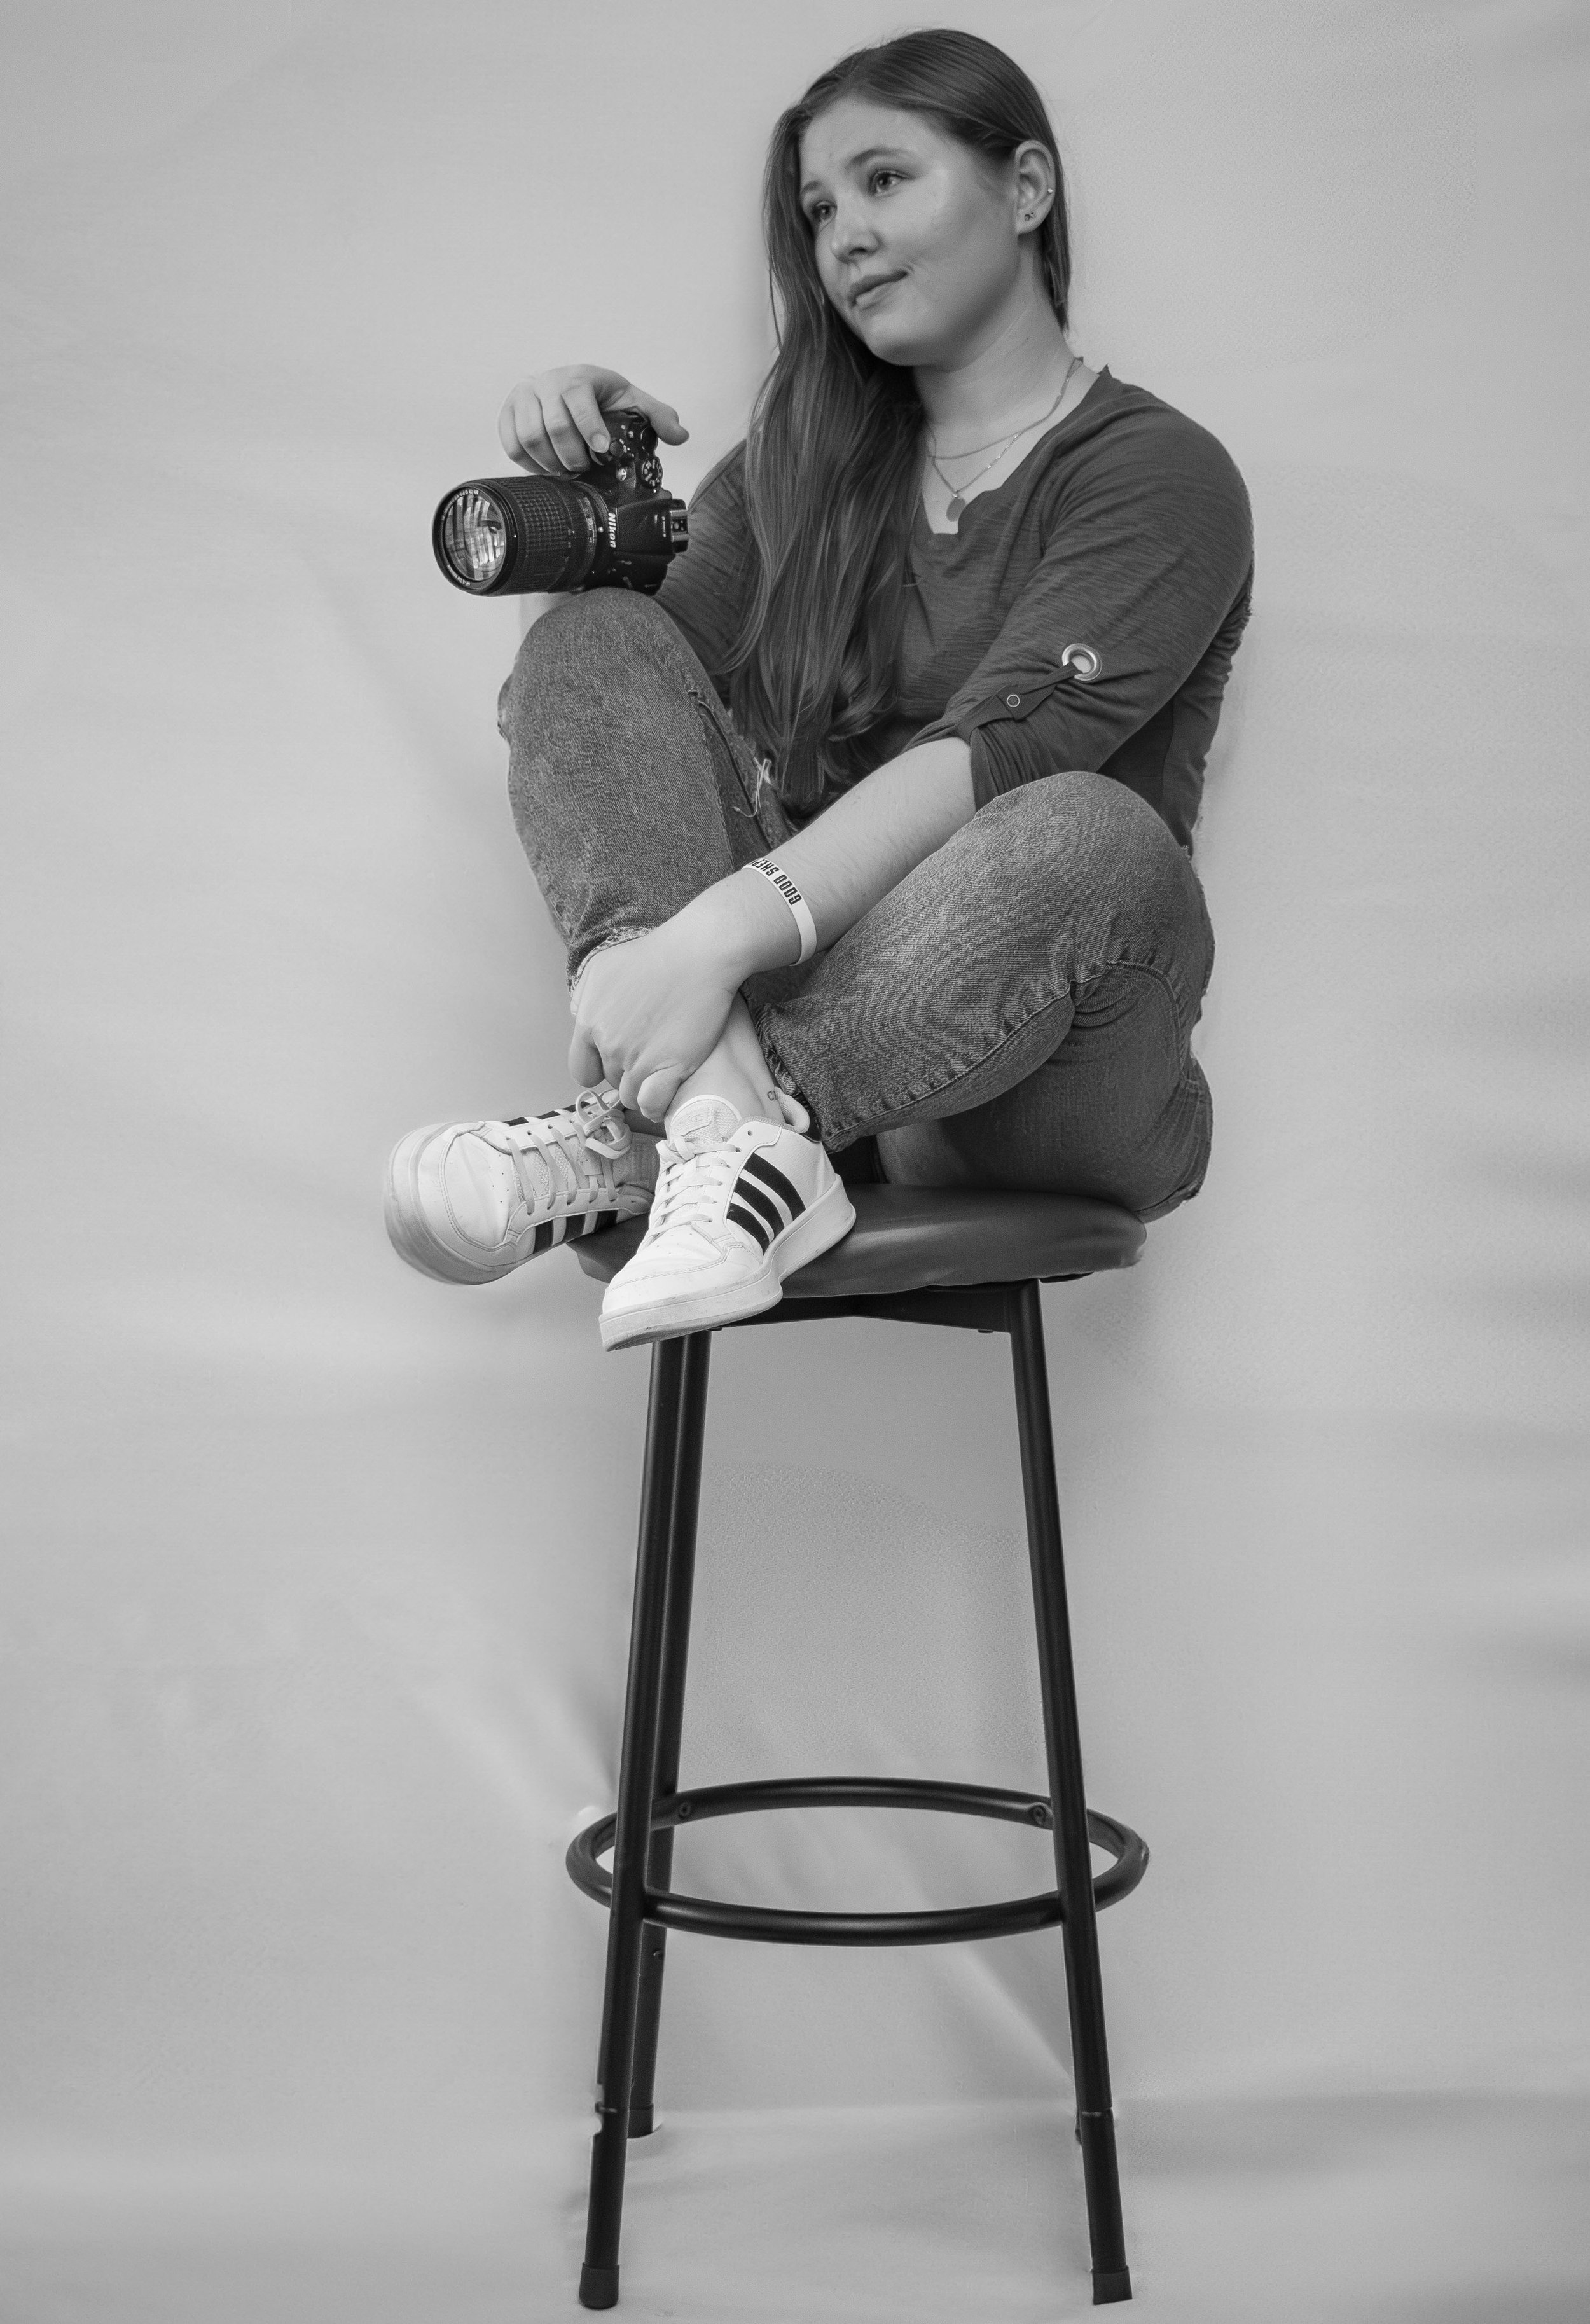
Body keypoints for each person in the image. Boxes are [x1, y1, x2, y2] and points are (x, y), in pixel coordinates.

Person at [385, 27, 1254, 1353]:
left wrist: (701, 951)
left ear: (1024, 190)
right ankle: (730, 1136)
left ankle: (656, 1132)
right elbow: (621, 708)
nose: (843, 233)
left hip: (1055, 1064)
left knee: (1082, 828)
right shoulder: (800, 466)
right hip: (847, 1041)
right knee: (589, 640)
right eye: (816, 207)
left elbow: (995, 762)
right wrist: (588, 523)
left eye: (885, 181)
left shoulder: (1157, 475)